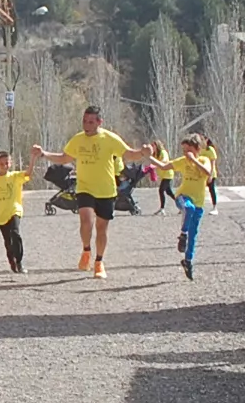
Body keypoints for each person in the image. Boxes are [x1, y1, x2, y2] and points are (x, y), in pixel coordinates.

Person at [31, 107, 156, 280]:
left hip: (106, 190)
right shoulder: (78, 139)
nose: (86, 125)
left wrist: (143, 152)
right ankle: (86, 250)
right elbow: (64, 158)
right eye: (84, 121)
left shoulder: (110, 138)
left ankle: (99, 262)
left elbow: (129, 154)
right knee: (86, 220)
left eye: (91, 121)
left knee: (101, 227)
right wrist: (44, 154)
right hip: (84, 188)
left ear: (99, 122)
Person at [165, 134, 218, 280]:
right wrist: (149, 159)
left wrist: (194, 160)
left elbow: (207, 172)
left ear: (197, 149)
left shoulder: (204, 159)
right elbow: (165, 165)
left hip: (199, 201)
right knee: (189, 208)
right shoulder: (183, 161)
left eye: (188, 150)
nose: (186, 154)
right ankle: (182, 235)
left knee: (193, 234)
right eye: (184, 151)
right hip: (183, 196)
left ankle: (187, 261)